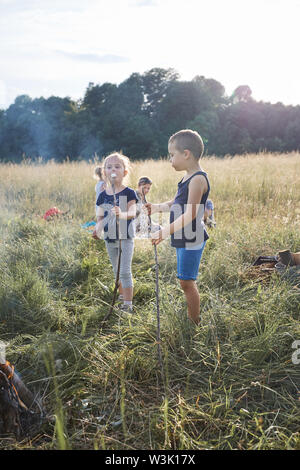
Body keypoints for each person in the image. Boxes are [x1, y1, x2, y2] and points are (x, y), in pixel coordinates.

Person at [146, 129, 210, 325]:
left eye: (172, 155)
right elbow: (176, 203)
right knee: (184, 281)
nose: (170, 159)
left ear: (186, 154)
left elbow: (190, 214)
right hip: (183, 236)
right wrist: (156, 207)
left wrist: (164, 231)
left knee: (187, 282)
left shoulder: (198, 179)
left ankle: (194, 323)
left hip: (192, 238)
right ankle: (193, 317)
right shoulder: (186, 178)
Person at [92, 153, 138, 312]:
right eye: (109, 167)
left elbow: (133, 212)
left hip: (125, 237)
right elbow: (99, 217)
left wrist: (122, 214)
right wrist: (97, 228)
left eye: (117, 166)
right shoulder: (102, 196)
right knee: (116, 271)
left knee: (125, 271)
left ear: (125, 172)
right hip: (109, 238)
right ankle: (121, 296)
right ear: (104, 172)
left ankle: (128, 306)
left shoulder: (129, 193)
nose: (113, 169)